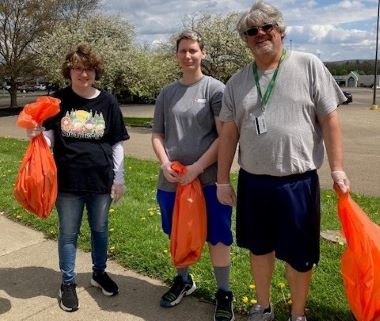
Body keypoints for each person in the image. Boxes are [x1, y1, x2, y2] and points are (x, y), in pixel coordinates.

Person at [216, 2, 350, 321]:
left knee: (300, 255)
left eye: (267, 27)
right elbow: (228, 135)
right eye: (252, 31)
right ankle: (263, 307)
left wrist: (338, 168)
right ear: (246, 40)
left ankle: (298, 314)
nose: (260, 34)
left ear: (281, 31)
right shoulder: (237, 82)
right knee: (259, 249)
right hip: (254, 181)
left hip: (298, 182)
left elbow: (330, 121)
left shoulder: (309, 65)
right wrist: (223, 180)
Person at [28, 44, 129, 312]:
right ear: (69, 71)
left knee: (100, 229)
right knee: (69, 234)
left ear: (96, 72)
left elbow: (117, 142)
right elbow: (49, 136)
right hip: (68, 182)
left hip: (100, 180)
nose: (83, 74)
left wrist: (118, 177)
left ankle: (98, 273)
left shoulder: (108, 102)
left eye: (89, 69)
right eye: (78, 69)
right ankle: (68, 282)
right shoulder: (56, 101)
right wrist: (38, 136)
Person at [151, 30, 235, 321]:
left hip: (208, 180)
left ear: (203, 53)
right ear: (176, 55)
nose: (188, 55)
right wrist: (165, 164)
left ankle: (224, 292)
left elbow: (224, 135)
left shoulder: (215, 90)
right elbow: (158, 135)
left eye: (193, 50)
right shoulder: (166, 93)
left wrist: (197, 169)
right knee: (178, 233)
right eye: (183, 50)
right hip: (172, 181)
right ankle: (183, 280)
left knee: (218, 237)